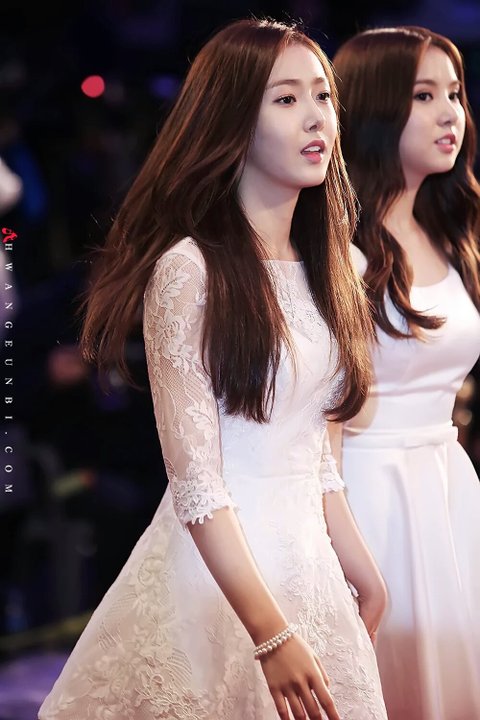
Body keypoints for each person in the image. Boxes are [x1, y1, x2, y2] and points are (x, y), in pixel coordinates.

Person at [38, 19, 388, 720]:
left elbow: (316, 453)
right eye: (285, 99)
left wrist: (363, 571)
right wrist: (271, 634)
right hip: (215, 576)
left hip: (310, 568)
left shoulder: (336, 268)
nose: (316, 116)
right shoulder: (189, 271)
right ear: (233, 121)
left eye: (323, 95)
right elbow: (196, 484)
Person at [332, 25, 480, 720]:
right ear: (373, 108)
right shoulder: (333, 245)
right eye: (424, 96)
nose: (450, 113)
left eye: (455, 93)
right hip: (366, 492)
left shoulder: (451, 228)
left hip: (447, 484)